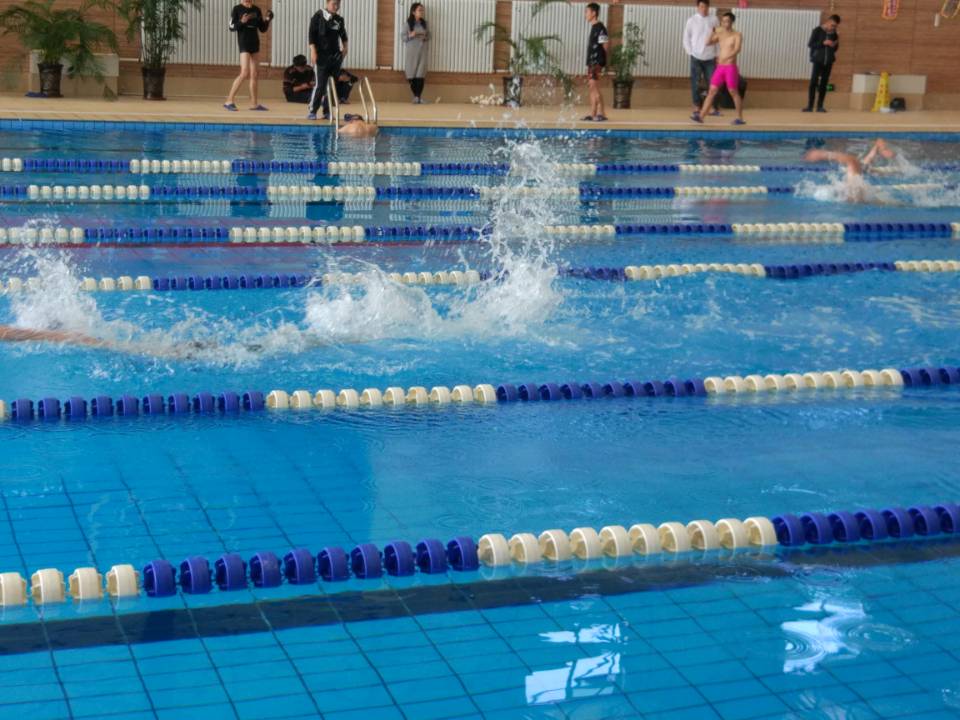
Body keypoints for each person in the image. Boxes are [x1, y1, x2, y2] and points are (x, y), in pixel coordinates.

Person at [691, 12, 744, 126]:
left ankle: (740, 118)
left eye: (727, 21)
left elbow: (737, 49)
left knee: (733, 92)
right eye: (723, 21)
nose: (725, 24)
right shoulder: (720, 34)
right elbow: (707, 43)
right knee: (711, 91)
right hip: (720, 68)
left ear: (732, 22)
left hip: (730, 67)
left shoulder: (737, 35)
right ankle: (701, 116)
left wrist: (725, 57)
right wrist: (712, 31)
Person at [803, 139, 896, 201]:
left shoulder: (853, 194)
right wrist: (824, 154)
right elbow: (852, 161)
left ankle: (879, 149)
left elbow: (854, 162)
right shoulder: (854, 193)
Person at [224, 0, 273, 111]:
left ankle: (254, 104)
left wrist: (268, 19)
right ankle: (229, 101)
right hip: (244, 42)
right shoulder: (237, 9)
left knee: (254, 74)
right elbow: (231, 27)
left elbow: (262, 28)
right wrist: (242, 21)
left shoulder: (256, 9)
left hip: (254, 43)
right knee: (244, 72)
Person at [307, 0, 348, 120]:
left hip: (335, 57)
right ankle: (313, 110)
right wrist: (313, 51)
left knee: (332, 85)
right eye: (334, 4)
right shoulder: (318, 16)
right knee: (320, 85)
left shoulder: (339, 20)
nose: (336, 6)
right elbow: (311, 35)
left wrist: (345, 48)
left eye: (338, 4)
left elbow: (343, 35)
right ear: (327, 3)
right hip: (321, 57)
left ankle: (327, 111)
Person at [683, 0, 719, 114]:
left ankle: (711, 107)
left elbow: (718, 37)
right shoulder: (691, 20)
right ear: (698, 7)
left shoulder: (714, 20)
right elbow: (686, 37)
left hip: (710, 57)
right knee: (696, 82)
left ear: (709, 7)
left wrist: (718, 54)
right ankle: (697, 105)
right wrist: (690, 52)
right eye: (702, 6)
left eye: (706, 7)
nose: (704, 9)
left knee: (712, 83)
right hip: (696, 56)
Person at [804, 14, 840, 113]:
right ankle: (810, 106)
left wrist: (834, 45)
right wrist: (823, 43)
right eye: (832, 25)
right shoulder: (817, 30)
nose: (833, 28)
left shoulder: (834, 33)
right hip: (817, 60)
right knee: (813, 82)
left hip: (828, 61)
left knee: (824, 83)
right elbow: (810, 44)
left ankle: (820, 106)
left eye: (835, 26)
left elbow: (835, 48)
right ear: (828, 22)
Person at [583, 3, 609, 122]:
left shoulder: (600, 27)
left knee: (594, 86)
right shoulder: (594, 27)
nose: (585, 14)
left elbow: (605, 45)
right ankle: (592, 113)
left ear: (594, 13)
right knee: (591, 87)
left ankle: (601, 113)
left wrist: (602, 61)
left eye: (587, 12)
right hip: (591, 61)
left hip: (597, 61)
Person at [403, 3, 430, 103]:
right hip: (412, 53)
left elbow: (429, 36)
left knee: (420, 74)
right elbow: (403, 37)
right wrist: (411, 35)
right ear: (413, 12)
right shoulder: (408, 24)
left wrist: (425, 37)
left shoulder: (425, 23)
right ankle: (417, 97)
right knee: (411, 74)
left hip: (422, 52)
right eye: (419, 10)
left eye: (422, 10)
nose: (421, 12)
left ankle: (418, 97)